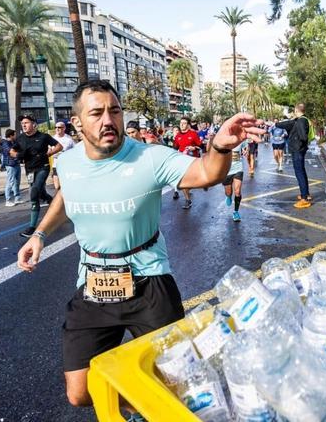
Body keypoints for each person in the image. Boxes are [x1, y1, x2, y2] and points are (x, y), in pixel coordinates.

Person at [16, 80, 263, 411]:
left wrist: (219, 146)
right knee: (79, 393)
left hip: (149, 281)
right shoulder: (68, 163)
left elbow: (205, 173)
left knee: (177, 379)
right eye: (97, 113)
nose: (108, 120)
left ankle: (161, 406)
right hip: (92, 283)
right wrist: (39, 235)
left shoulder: (150, 157)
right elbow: (67, 195)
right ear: (77, 123)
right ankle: (146, 406)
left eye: (114, 111)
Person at [10, 115, 62, 237]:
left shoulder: (43, 137)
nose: (24, 125)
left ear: (34, 124)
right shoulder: (21, 138)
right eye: (22, 123)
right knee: (41, 193)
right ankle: (57, 206)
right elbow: (11, 151)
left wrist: (50, 153)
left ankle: (32, 227)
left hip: (42, 167)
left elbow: (59, 146)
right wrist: (17, 155)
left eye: (26, 122)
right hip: (30, 171)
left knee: (34, 193)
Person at [275, 103, 312, 208]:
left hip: (298, 150)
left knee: (299, 172)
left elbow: (303, 136)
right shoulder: (300, 120)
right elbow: (287, 124)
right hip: (299, 149)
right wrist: (277, 124)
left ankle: (304, 199)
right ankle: (306, 194)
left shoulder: (301, 121)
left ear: (296, 110)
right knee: (301, 171)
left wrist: (298, 141)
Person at [172, 118, 202, 209]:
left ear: (188, 125)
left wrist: (194, 148)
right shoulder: (178, 136)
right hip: (182, 161)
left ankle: (189, 189)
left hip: (192, 161)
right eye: (181, 123)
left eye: (184, 123)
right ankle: (188, 200)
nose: (182, 125)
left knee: (190, 182)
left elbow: (200, 145)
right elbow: (175, 148)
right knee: (183, 181)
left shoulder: (193, 134)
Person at [223, 140, 249, 222]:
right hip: (226, 170)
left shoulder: (241, 139)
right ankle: (228, 196)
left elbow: (246, 146)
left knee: (237, 192)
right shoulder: (223, 138)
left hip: (238, 168)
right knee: (228, 192)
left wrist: (246, 150)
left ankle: (236, 212)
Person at [51, 121, 77, 191]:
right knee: (57, 187)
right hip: (56, 164)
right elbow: (49, 150)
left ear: (64, 128)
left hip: (67, 165)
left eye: (59, 127)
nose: (57, 129)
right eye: (55, 127)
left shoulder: (69, 139)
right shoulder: (52, 138)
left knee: (66, 185)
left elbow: (75, 150)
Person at [0, 129, 22, 206]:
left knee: (17, 182)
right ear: (10, 135)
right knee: (10, 182)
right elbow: (11, 152)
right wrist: (19, 154)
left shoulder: (14, 142)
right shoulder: (5, 143)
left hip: (16, 163)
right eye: (14, 134)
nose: (16, 136)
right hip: (10, 165)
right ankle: (8, 200)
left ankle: (17, 198)